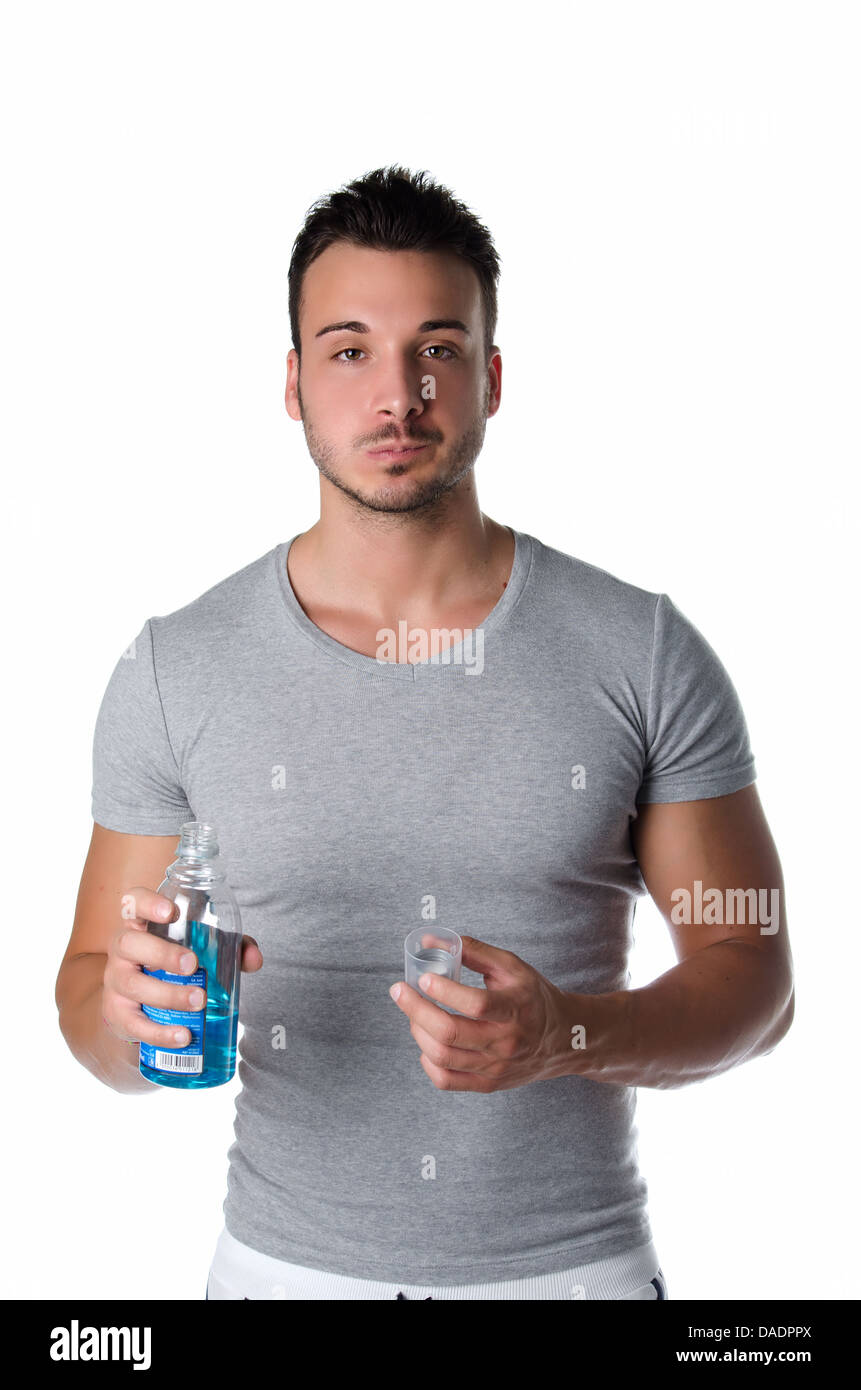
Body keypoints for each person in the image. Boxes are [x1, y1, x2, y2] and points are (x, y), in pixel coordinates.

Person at [56, 165, 794, 1301]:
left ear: (492, 379)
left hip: (571, 1276)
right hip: (279, 1275)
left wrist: (568, 1035)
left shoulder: (639, 649)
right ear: (293, 383)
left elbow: (756, 983)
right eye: (349, 350)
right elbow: (89, 1000)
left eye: (437, 348)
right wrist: (122, 1017)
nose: (396, 394)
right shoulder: (175, 665)